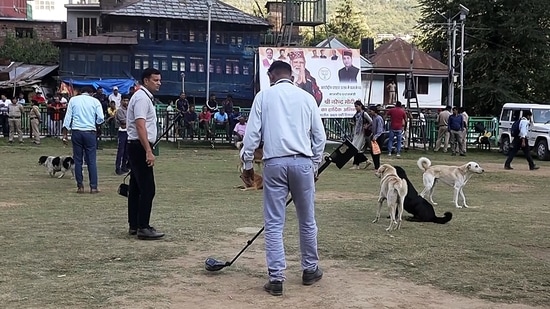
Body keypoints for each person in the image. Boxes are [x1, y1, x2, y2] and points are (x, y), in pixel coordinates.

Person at [240, 60, 326, 296]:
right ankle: (310, 269)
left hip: (274, 162)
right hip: (303, 162)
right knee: (307, 220)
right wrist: (315, 165)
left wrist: (247, 163)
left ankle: (276, 278)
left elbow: (252, 136)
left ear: (271, 75)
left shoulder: (264, 97)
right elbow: (320, 136)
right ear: (292, 75)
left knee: (274, 222)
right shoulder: (307, 98)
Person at [126, 67, 165, 240]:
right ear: (146, 80)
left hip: (136, 145)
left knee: (136, 188)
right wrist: (148, 151)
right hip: (139, 146)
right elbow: (140, 125)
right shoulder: (142, 98)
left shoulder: (143, 97)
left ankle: (134, 224)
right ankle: (143, 226)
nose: (159, 83)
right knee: (148, 188)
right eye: (155, 80)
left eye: (159, 80)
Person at [62, 86, 104, 194]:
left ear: (81, 92)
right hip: (90, 132)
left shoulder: (73, 100)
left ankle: (80, 186)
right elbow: (101, 118)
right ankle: (93, 187)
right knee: (91, 161)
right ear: (91, 93)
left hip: (77, 132)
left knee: (78, 160)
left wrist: (65, 134)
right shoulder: (95, 101)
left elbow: (68, 117)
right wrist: (95, 123)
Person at [349, 100, 372, 169]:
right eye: (355, 106)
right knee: (355, 148)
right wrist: (353, 124)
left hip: (361, 133)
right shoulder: (357, 114)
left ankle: (356, 164)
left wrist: (367, 126)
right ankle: (366, 161)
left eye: (357, 106)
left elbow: (371, 121)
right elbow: (356, 123)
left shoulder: (364, 113)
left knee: (356, 148)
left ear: (360, 106)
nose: (356, 108)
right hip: (356, 132)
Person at [115, 95, 130, 175]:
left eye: (127, 100)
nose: (126, 102)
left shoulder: (129, 109)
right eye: (124, 100)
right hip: (122, 131)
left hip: (128, 131)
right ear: (121, 101)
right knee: (121, 151)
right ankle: (118, 167)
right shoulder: (120, 110)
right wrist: (130, 121)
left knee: (126, 151)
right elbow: (123, 121)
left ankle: (124, 166)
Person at [368, 105, 384, 170]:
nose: (370, 112)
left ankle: (377, 166)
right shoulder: (373, 118)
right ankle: (376, 166)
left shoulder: (378, 118)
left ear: (374, 111)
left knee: (376, 152)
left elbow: (380, 129)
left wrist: (376, 136)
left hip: (379, 136)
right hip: (374, 136)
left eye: (370, 111)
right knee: (372, 151)